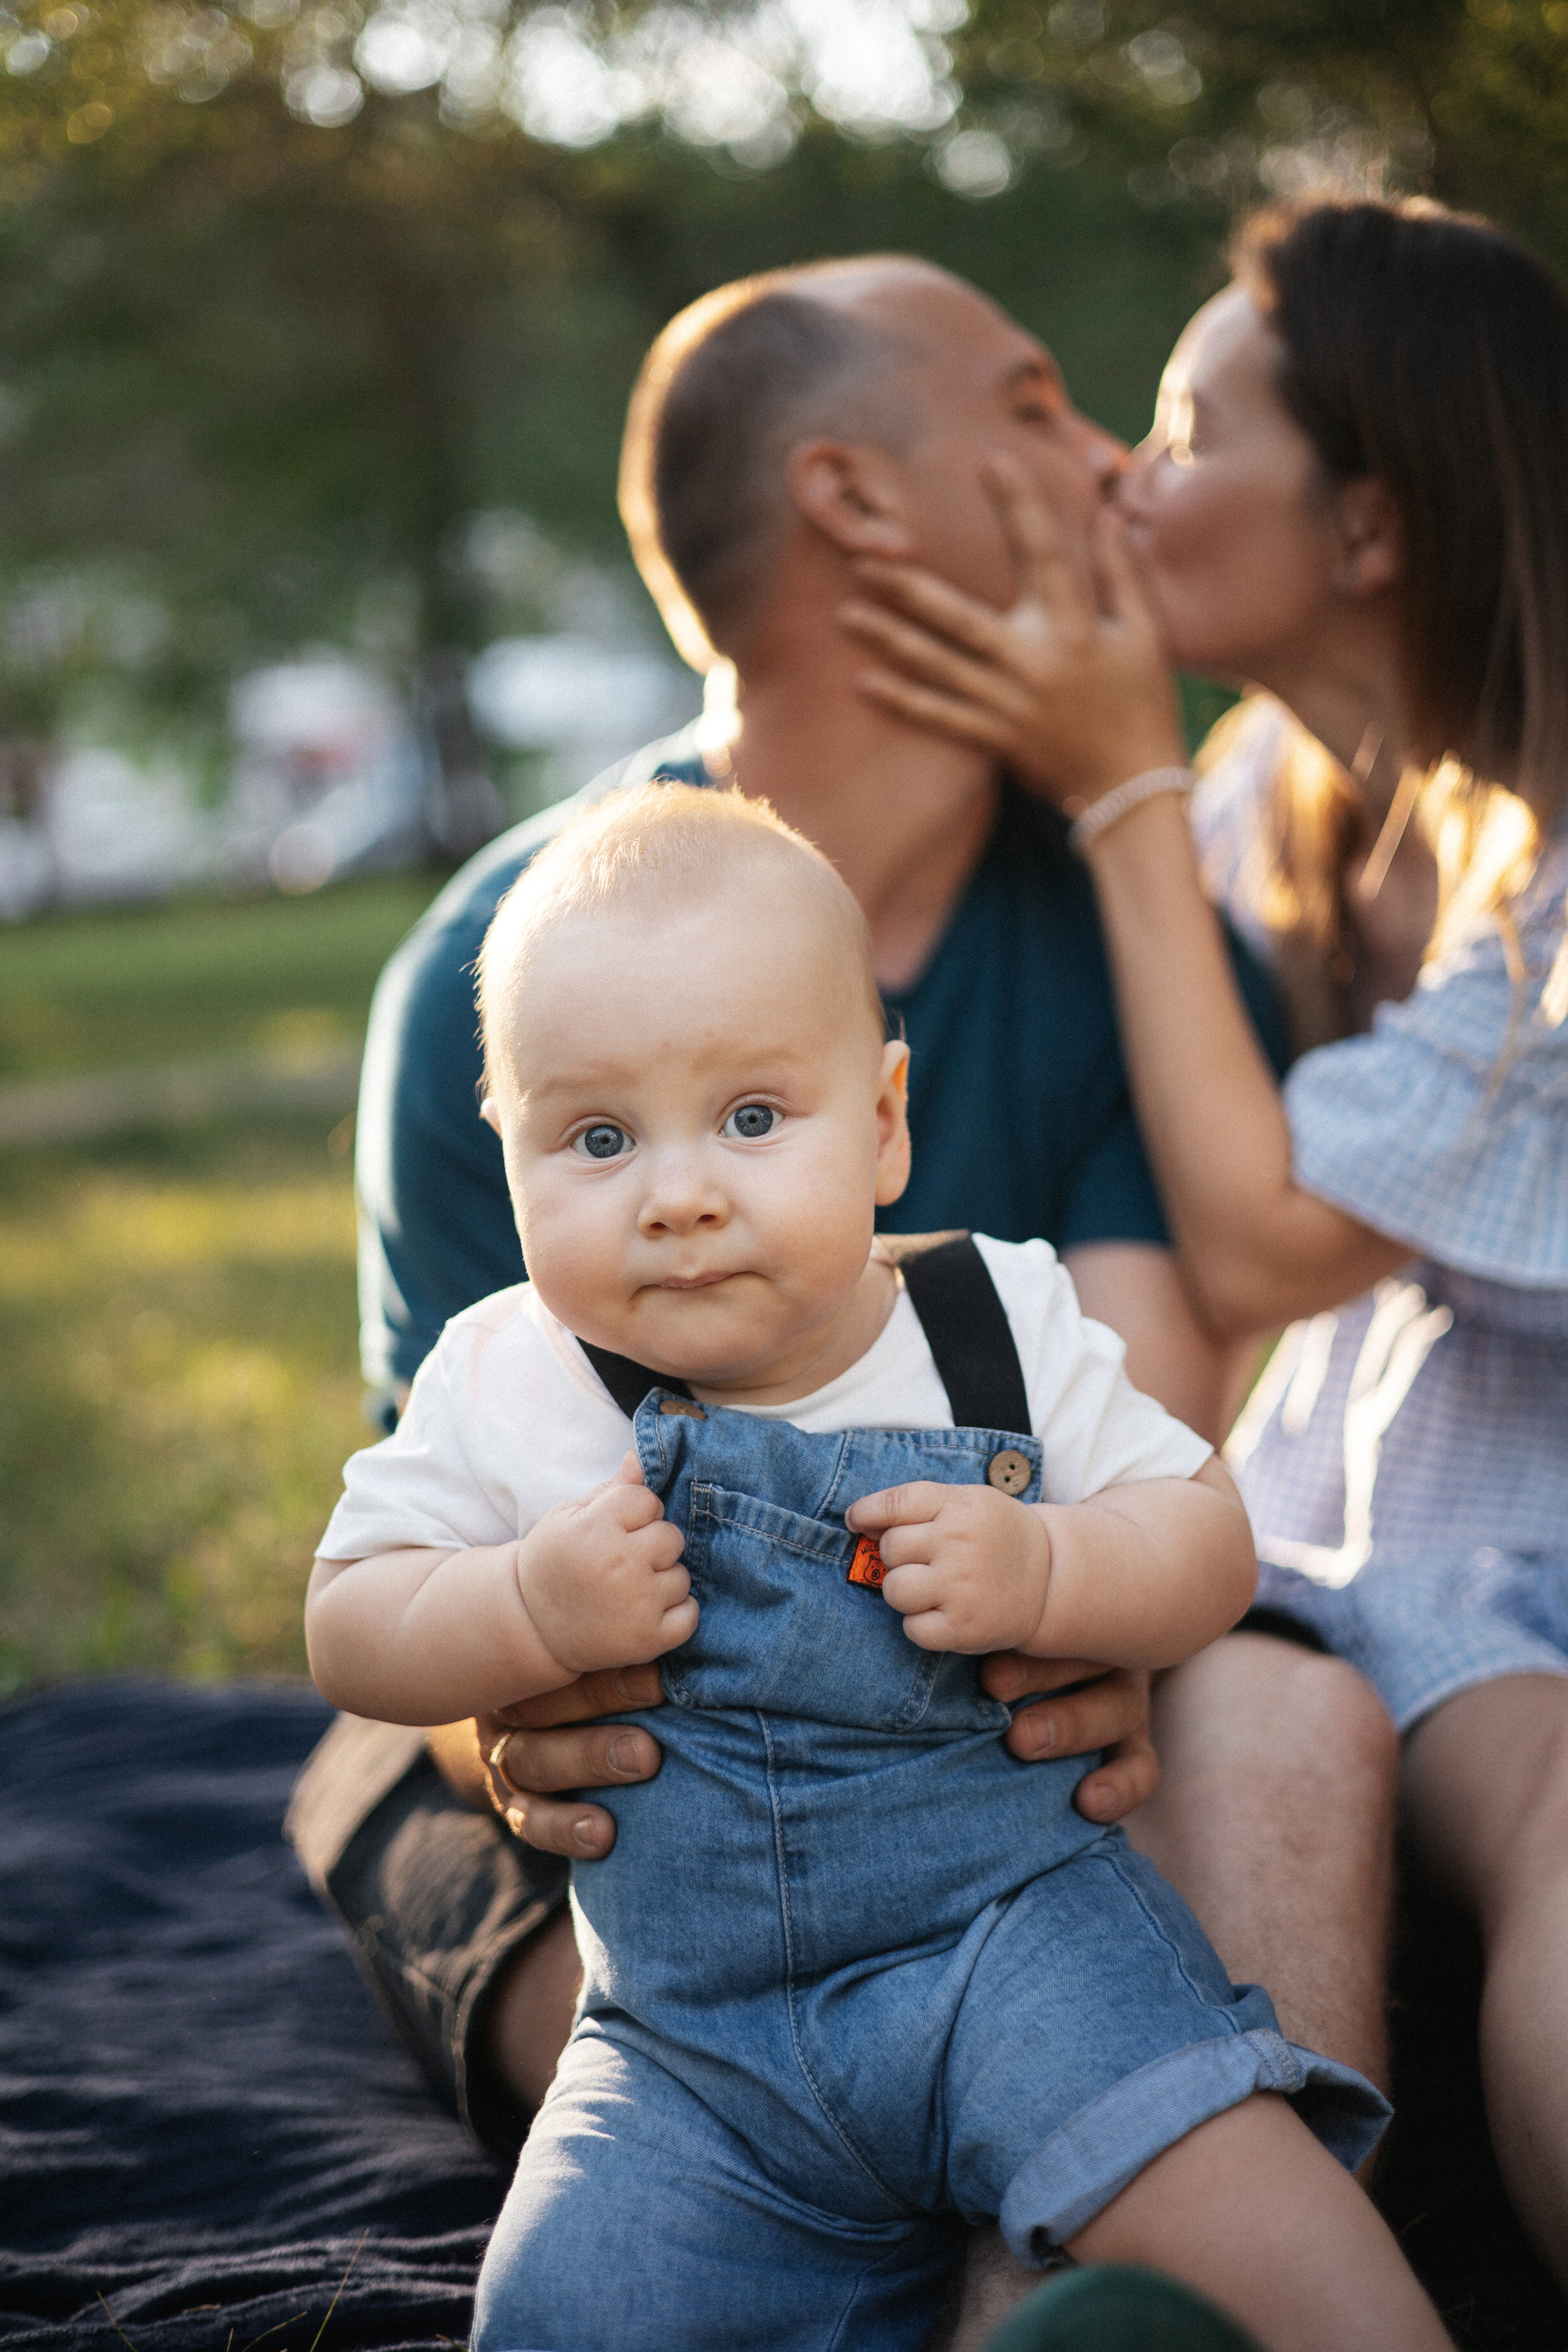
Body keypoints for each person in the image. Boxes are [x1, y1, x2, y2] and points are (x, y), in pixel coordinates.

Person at [285, 254, 1401, 2323]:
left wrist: (1080, 1618)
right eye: (1051, 402)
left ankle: (1091, 2299)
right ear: (861, 508)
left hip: (1009, 1760)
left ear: (876, 1114)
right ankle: (757, 2212)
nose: (1122, 463)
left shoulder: (1116, 957)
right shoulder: (509, 968)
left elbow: (1135, 1451)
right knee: (386, 1802)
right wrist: (515, 1699)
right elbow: (450, 1500)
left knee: (1295, 1710)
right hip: (618, 1786)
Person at [837, 194, 1568, 2284]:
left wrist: (1117, 790)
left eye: (1183, 424)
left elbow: (1252, 1240)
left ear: (1369, 527)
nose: (1127, 481)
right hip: (1367, 1543)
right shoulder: (1283, 791)